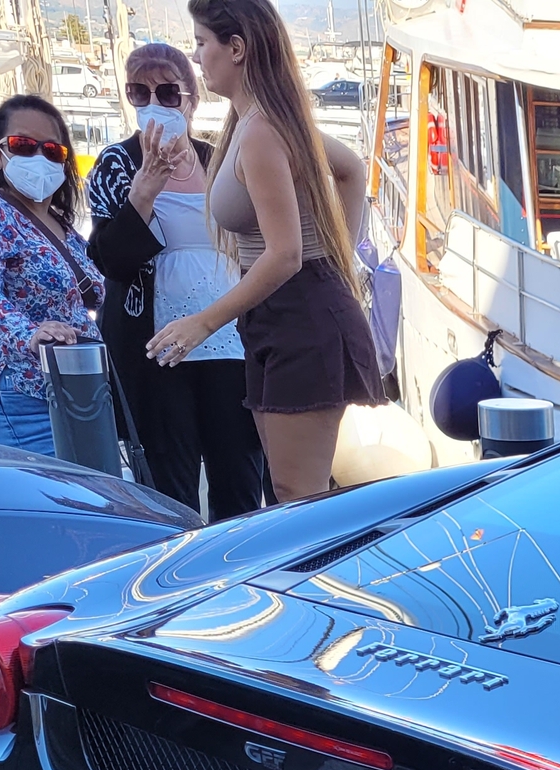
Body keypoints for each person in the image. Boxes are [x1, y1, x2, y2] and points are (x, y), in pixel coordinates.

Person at [148, 0, 378, 501]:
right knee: (287, 489)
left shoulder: (262, 130)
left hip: (301, 314)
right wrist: (342, 263)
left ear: (236, 48)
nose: (196, 56)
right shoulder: (257, 121)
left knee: (299, 492)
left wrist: (201, 323)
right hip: (282, 315)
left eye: (202, 43)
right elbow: (351, 170)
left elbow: (285, 254)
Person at [87, 42, 266, 517]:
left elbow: (258, 242)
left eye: (167, 93)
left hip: (230, 338)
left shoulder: (221, 158)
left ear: (191, 100)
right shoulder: (116, 165)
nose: (153, 104)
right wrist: (143, 192)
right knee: (170, 485)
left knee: (240, 476)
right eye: (138, 93)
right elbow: (112, 263)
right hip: (157, 348)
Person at [0, 96, 101, 456]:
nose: (38, 157)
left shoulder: (62, 226)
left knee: (88, 503)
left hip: (75, 387)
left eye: (52, 150)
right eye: (23, 145)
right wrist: (30, 334)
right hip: (19, 389)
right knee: (53, 503)